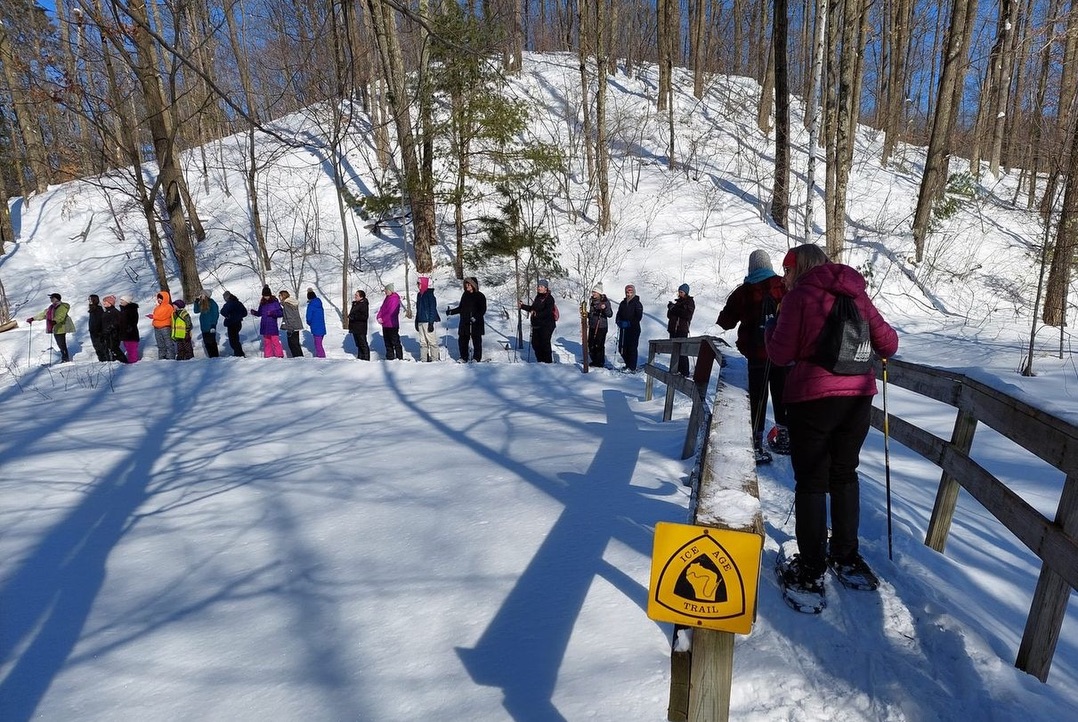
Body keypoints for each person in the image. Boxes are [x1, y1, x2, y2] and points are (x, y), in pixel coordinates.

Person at [765, 243, 899, 597]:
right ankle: (846, 555)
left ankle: (811, 566)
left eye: (787, 269)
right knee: (844, 474)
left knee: (811, 481)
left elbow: (780, 355)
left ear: (800, 267)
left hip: (813, 398)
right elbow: (889, 344)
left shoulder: (799, 298)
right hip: (857, 398)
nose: (785, 276)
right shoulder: (856, 294)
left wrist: (770, 330)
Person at [718, 249, 789, 464]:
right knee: (781, 395)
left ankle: (755, 442)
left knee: (757, 398)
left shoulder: (744, 291)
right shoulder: (783, 286)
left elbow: (726, 322)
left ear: (751, 267)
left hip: (757, 354)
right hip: (781, 353)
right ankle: (785, 438)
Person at [445, 276, 486, 362]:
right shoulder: (465, 295)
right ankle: (463, 357)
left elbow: (482, 309)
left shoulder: (480, 296)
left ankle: (476, 357)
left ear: (473, 285)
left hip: (475, 322)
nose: (467, 286)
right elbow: (461, 308)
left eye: (469, 284)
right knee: (462, 340)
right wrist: (451, 312)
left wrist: (476, 317)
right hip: (465, 321)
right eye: (466, 284)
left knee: (476, 341)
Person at [27, 292, 74, 363]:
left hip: (61, 327)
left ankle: (65, 358)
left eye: (52, 298)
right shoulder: (51, 307)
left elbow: (61, 316)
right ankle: (64, 357)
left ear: (56, 299)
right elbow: (43, 314)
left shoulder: (62, 307)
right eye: (50, 298)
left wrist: (54, 321)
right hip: (55, 328)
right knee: (60, 344)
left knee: (61, 344)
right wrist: (33, 318)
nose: (50, 299)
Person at [519, 278, 557, 363]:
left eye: (541, 286)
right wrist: (522, 306)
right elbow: (533, 309)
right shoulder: (538, 297)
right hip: (537, 325)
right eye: (538, 286)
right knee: (535, 344)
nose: (539, 288)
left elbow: (547, 311)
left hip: (547, 325)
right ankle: (540, 362)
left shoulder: (549, 298)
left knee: (544, 344)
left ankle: (548, 363)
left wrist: (537, 314)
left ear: (546, 288)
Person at [667, 283, 695, 376]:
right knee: (674, 351)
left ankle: (685, 372)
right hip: (673, 329)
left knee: (682, 352)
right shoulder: (678, 302)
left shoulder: (689, 302)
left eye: (681, 292)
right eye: (679, 292)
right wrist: (670, 309)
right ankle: (676, 369)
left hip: (682, 329)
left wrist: (674, 309)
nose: (680, 293)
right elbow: (669, 316)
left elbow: (686, 314)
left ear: (686, 292)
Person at [615, 284, 643, 372]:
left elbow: (638, 317)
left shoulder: (637, 303)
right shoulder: (623, 303)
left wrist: (629, 323)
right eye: (627, 292)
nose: (628, 294)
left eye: (630, 292)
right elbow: (618, 314)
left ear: (633, 292)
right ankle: (627, 364)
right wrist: (618, 321)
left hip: (633, 328)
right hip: (624, 329)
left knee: (632, 348)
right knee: (622, 347)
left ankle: (632, 367)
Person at [250, 285, 284, 358]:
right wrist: (254, 312)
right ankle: (268, 356)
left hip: (272, 325)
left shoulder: (275, 302)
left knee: (275, 341)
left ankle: (279, 355)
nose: (266, 297)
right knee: (267, 342)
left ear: (270, 294)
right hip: (264, 325)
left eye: (267, 295)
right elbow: (260, 313)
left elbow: (281, 313)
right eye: (265, 296)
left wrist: (273, 313)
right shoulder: (262, 303)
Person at [586, 282, 613, 368]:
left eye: (595, 292)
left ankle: (599, 362)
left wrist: (604, 308)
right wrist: (586, 315)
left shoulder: (605, 301)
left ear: (599, 293)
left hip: (601, 326)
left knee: (599, 345)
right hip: (592, 325)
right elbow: (592, 314)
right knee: (590, 343)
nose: (593, 294)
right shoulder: (592, 301)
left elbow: (610, 314)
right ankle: (594, 360)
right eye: (593, 292)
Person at [414, 276, 441, 362]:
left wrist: (431, 323)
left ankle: (435, 359)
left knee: (432, 342)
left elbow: (432, 309)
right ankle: (423, 360)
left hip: (428, 321)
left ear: (424, 284)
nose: (418, 285)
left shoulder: (430, 295)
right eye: (417, 284)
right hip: (421, 321)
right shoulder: (419, 295)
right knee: (423, 342)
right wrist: (416, 320)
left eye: (419, 284)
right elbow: (418, 309)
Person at [376, 283, 404, 360]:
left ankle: (399, 357)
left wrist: (383, 319)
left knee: (395, 342)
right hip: (385, 324)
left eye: (386, 290)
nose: (385, 291)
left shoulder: (394, 299)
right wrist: (379, 316)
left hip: (392, 324)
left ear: (390, 290)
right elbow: (382, 309)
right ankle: (390, 357)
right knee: (387, 342)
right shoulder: (387, 298)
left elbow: (391, 312)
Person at [148, 290, 176, 360]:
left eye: (160, 298)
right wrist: (153, 317)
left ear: (165, 298)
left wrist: (154, 317)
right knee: (160, 344)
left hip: (165, 328)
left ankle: (170, 358)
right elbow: (156, 317)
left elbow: (164, 316)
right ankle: (162, 358)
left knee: (168, 344)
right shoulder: (157, 308)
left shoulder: (168, 307)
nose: (159, 299)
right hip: (157, 328)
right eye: (158, 298)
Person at [193, 290, 220, 358]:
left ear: (206, 295)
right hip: (204, 327)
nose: (201, 295)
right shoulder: (202, 304)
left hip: (210, 326)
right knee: (207, 343)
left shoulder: (212, 303)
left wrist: (213, 324)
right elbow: (196, 311)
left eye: (202, 294)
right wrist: (196, 302)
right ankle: (211, 358)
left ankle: (215, 357)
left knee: (212, 343)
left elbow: (215, 314)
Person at [220, 291, 248, 357]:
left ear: (226, 298)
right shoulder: (238, 303)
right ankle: (238, 354)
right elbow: (245, 313)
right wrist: (239, 316)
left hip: (232, 324)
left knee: (233, 341)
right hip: (238, 324)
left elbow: (222, 311)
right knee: (235, 340)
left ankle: (239, 355)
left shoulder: (229, 304)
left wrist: (229, 316)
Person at [101, 295, 128, 363]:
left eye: (105, 302)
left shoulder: (114, 312)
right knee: (111, 348)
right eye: (104, 302)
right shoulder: (106, 312)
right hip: (108, 334)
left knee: (114, 348)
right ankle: (115, 361)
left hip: (114, 334)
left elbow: (116, 323)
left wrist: (110, 328)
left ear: (110, 303)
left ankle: (124, 361)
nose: (104, 303)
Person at [278, 289, 304, 357]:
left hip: (292, 327)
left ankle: (298, 358)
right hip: (296, 326)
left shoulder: (287, 305)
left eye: (280, 296)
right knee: (296, 344)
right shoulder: (292, 303)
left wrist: (289, 327)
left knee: (292, 344)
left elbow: (289, 317)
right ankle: (300, 357)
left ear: (283, 296)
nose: (279, 297)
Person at [348, 290, 370, 360]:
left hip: (361, 327)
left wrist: (354, 317)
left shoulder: (363, 304)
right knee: (358, 344)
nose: (355, 296)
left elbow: (364, 316)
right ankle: (360, 358)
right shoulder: (355, 303)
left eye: (356, 295)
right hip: (355, 327)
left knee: (363, 344)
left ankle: (366, 358)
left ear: (361, 297)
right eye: (355, 295)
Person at [305, 288, 327, 358]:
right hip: (322, 327)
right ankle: (320, 355)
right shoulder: (319, 304)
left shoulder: (311, 305)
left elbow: (308, 316)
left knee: (318, 344)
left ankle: (321, 357)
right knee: (319, 343)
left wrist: (309, 322)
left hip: (315, 326)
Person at [118, 296, 141, 362]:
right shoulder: (123, 310)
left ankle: (133, 363)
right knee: (128, 348)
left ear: (127, 301)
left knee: (132, 349)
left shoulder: (132, 309)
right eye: (121, 300)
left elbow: (134, 321)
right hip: (125, 333)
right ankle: (131, 361)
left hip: (131, 333)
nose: (121, 302)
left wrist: (129, 327)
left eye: (123, 300)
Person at [87, 294, 109, 361]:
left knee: (101, 347)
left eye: (90, 299)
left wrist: (98, 331)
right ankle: (101, 359)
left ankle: (105, 359)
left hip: (98, 332)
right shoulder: (92, 308)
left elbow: (100, 321)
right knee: (97, 347)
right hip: (93, 331)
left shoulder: (98, 309)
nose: (89, 301)